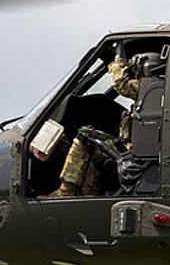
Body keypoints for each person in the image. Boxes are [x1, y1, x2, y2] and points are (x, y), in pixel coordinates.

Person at [47, 52, 162, 197]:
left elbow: (121, 84)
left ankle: (65, 192)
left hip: (133, 155)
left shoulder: (150, 89)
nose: (135, 74)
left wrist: (118, 59)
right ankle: (88, 193)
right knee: (95, 150)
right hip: (134, 152)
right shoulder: (157, 92)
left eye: (136, 70)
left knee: (84, 136)